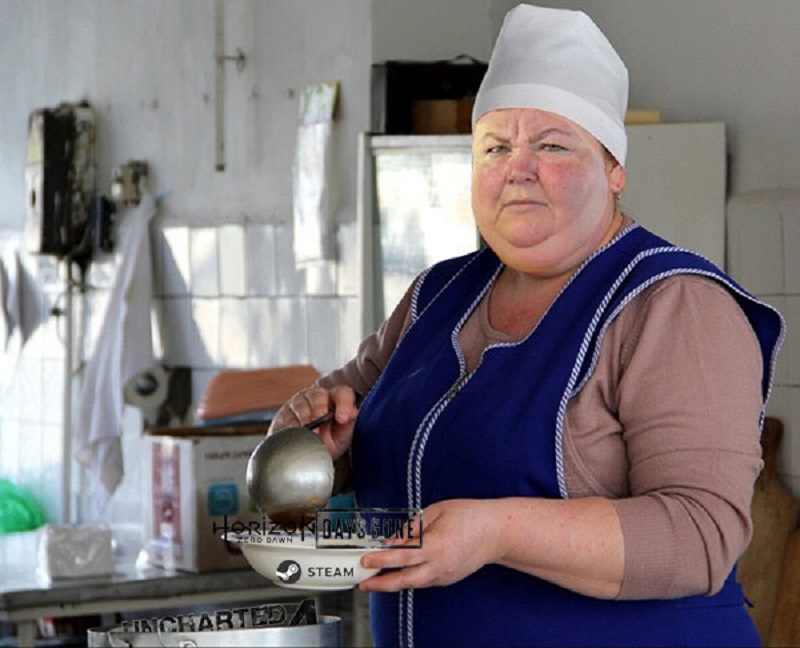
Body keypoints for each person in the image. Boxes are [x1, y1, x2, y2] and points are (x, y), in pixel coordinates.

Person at [268, 4, 784, 646]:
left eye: (552, 145)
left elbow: (699, 536)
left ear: (614, 169)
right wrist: (316, 446)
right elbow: (341, 432)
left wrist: (497, 532)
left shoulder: (673, 305)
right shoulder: (437, 296)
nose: (519, 167)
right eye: (495, 147)